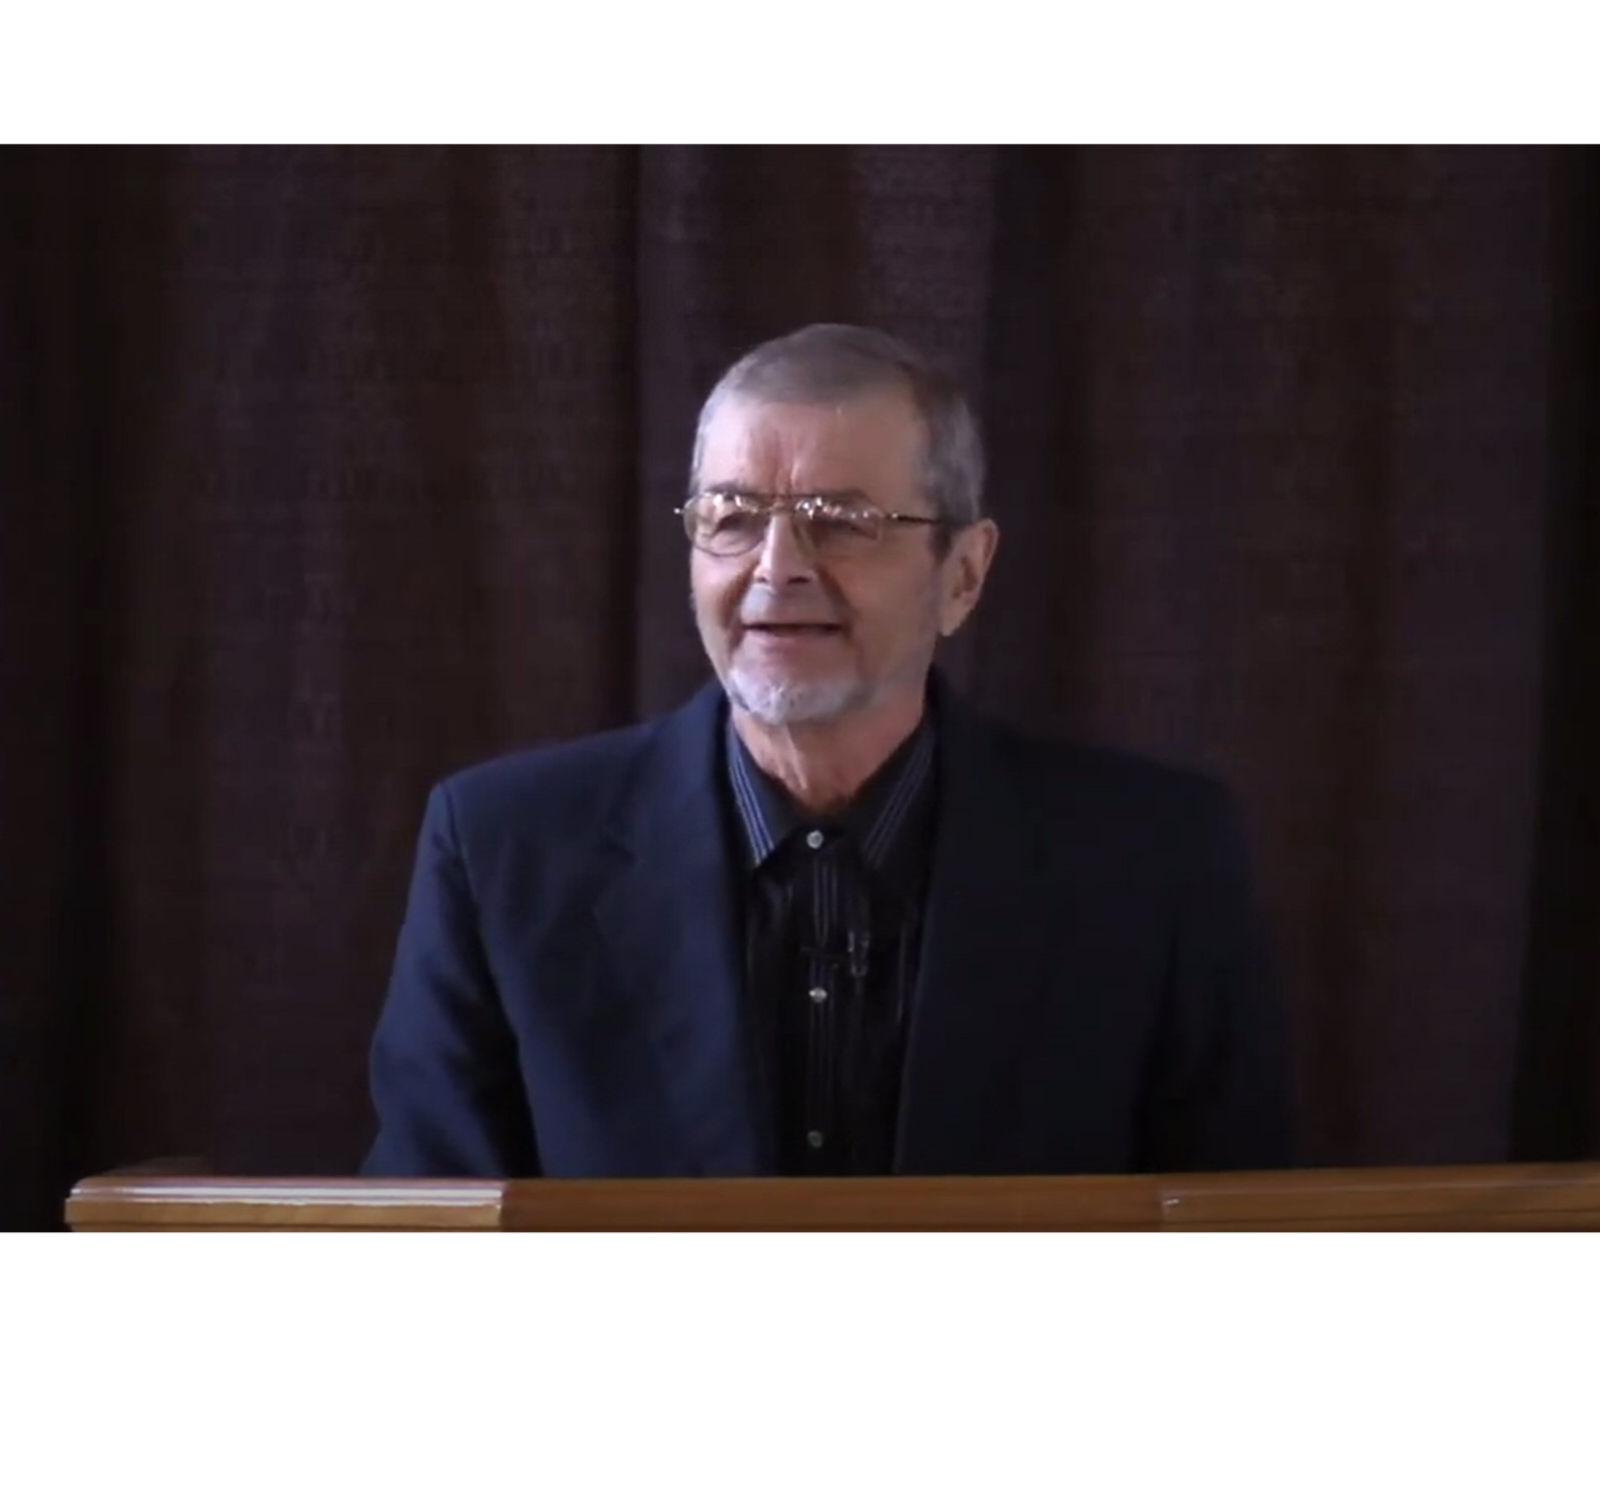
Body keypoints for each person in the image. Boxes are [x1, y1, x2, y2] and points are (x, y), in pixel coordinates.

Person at [361, 323, 1296, 1179]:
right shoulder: (503, 849)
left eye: (843, 521)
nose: (777, 567)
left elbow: (1239, 1211)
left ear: (964, 574)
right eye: (732, 516)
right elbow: (425, 1212)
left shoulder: (1152, 859)